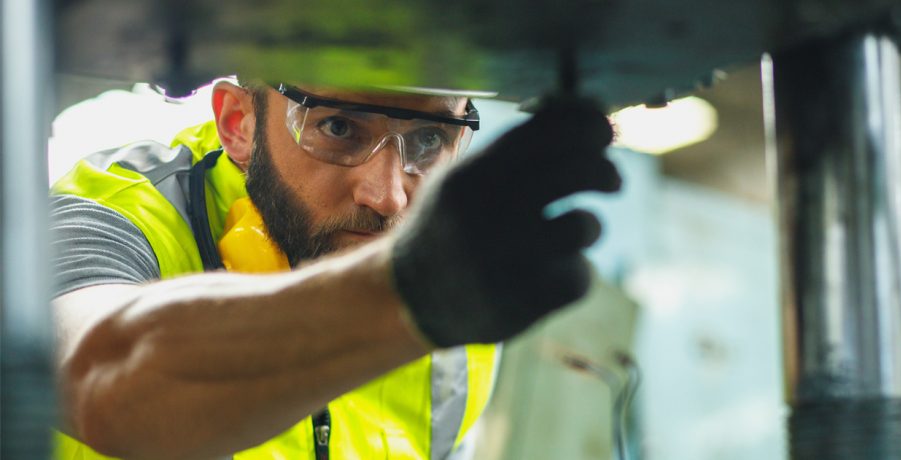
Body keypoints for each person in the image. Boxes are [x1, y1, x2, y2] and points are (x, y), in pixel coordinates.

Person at [49, 79, 620, 459]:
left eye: (428, 139)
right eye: (339, 128)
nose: (388, 196)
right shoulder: (115, 215)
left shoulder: (458, 303)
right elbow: (98, 379)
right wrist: (402, 294)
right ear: (239, 123)